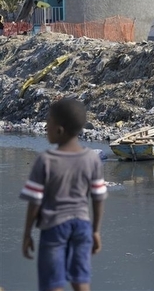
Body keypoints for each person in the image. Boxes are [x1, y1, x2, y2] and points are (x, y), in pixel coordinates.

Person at [20, 98, 107, 291]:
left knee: (53, 282)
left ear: (59, 130)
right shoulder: (91, 159)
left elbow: (34, 201)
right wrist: (96, 230)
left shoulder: (46, 160)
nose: (45, 127)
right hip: (82, 226)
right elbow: (99, 197)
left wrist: (27, 233)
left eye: (48, 122)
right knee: (81, 279)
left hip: (53, 228)